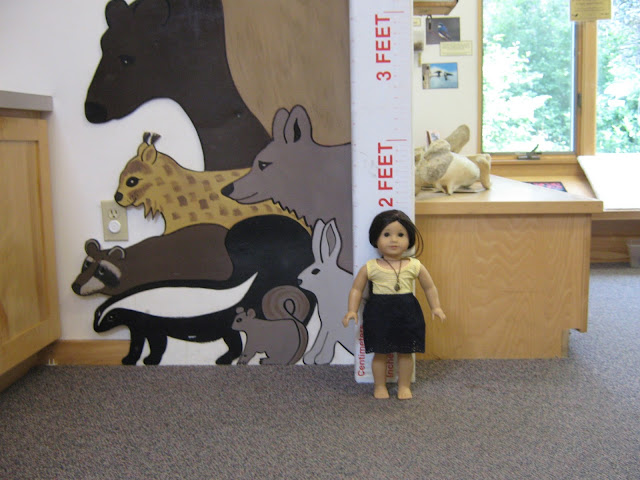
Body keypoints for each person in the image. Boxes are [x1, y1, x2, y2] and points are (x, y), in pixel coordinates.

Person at [342, 209, 446, 399]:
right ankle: (379, 386)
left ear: (409, 238)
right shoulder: (371, 267)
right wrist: (352, 310)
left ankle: (404, 386)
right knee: (380, 353)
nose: (394, 240)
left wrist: (436, 307)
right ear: (376, 238)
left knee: (406, 353)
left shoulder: (414, 265)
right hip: (379, 314)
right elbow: (356, 289)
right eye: (386, 234)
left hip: (407, 313)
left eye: (400, 235)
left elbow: (429, 287)